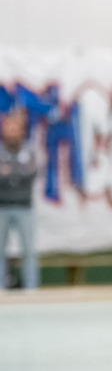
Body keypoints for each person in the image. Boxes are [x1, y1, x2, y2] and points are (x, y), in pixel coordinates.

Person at [0, 107, 39, 290]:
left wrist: (10, 174)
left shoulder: (29, 150)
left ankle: (31, 288)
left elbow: (30, 173)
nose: (12, 132)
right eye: (9, 128)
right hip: (3, 206)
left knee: (29, 250)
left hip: (25, 206)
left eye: (15, 128)